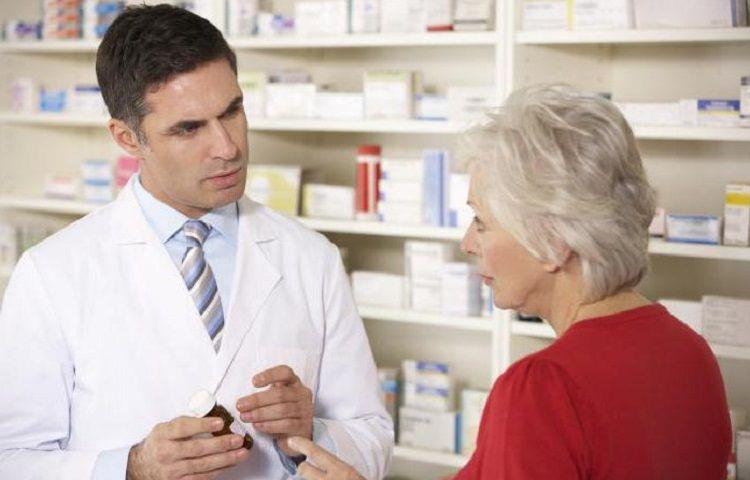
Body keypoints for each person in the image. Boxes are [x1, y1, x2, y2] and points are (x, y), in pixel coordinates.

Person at [0, 5, 392, 480]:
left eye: (232, 111)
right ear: (127, 138)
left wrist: (312, 431)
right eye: (188, 129)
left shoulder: (311, 258)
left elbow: (371, 436)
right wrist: (131, 468)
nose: (228, 147)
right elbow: (11, 459)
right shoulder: (53, 272)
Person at [287, 84, 732, 480]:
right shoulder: (689, 350)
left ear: (554, 242)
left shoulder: (545, 388)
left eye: (481, 222)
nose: (467, 243)